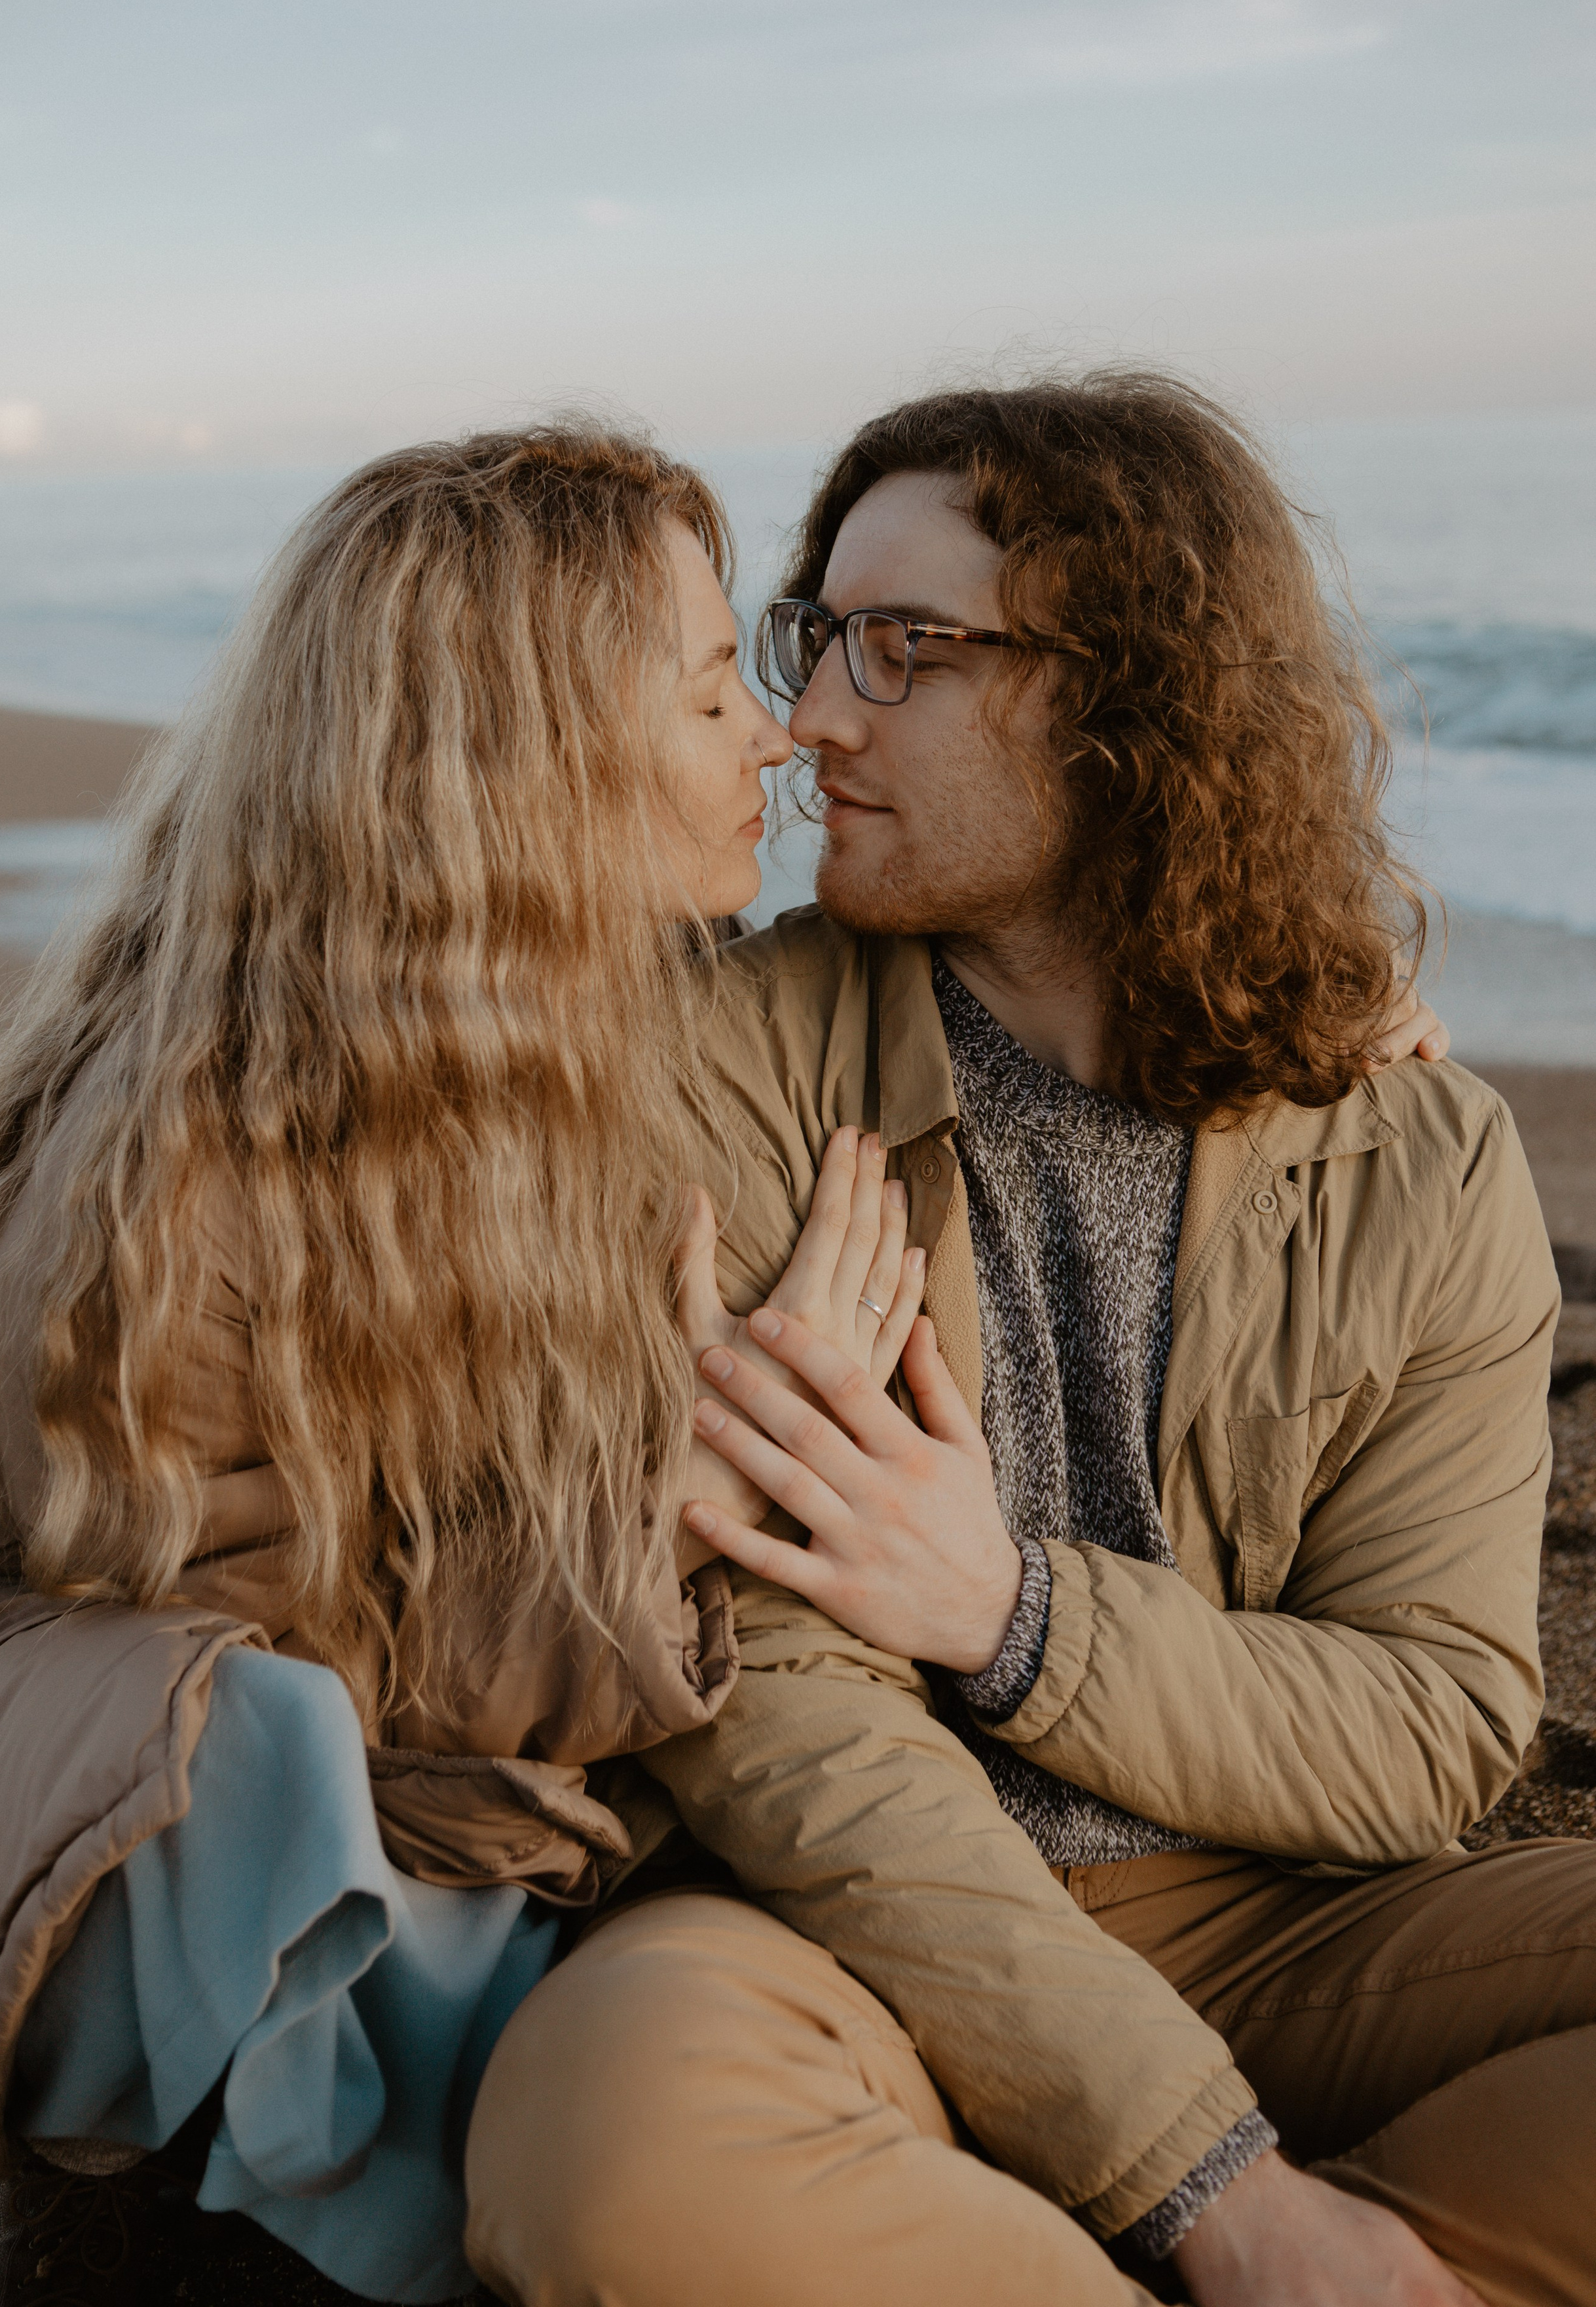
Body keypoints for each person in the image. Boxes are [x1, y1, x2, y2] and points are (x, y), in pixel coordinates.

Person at [466, 377, 1593, 2307]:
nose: (814, 720)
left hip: (1297, 1927)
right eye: (819, 641)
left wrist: (1015, 1613)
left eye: (906, 651)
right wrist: (1221, 2197)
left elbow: (1428, 1734)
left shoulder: (1418, 1150)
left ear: (1132, 700)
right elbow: (778, 1712)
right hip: (844, 1940)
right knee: (612, 2148)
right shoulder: (709, 1066)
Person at [0, 424, 927, 2305]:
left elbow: (969, 982)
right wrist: (681, 1508)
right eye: (713, 693)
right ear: (523, 760)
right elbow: (231, 1709)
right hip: (248, 1985)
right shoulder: (186, 1186)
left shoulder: (564, 1022)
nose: (773, 740)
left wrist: (1305, 1022)